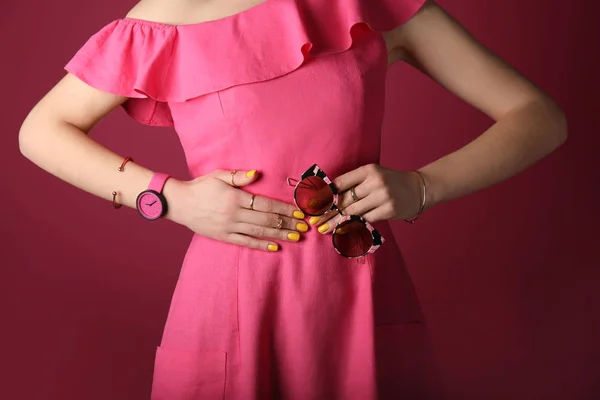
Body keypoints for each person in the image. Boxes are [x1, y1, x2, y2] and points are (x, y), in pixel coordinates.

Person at [18, 0, 568, 398]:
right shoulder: (163, 20)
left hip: (362, 292)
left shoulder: (370, 2)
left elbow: (539, 117)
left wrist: (423, 186)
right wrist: (169, 198)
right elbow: (40, 131)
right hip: (231, 304)